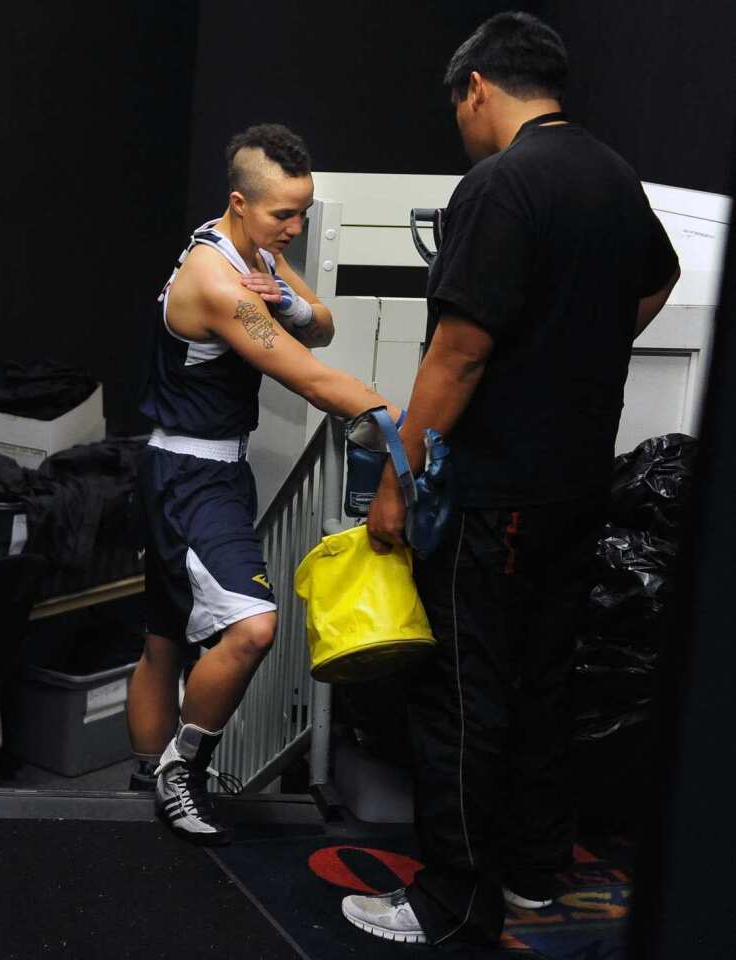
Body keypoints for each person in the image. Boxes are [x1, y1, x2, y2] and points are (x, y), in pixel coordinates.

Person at [345, 12, 680, 946]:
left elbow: (455, 354)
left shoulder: (499, 183)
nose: (460, 122)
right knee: (544, 684)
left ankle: (448, 902)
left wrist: (395, 481)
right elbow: (657, 278)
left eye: (458, 106)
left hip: (495, 492)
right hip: (576, 482)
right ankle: (533, 877)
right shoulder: (612, 174)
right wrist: (578, 344)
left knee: (460, 691)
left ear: (478, 87)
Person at [128, 123, 399, 844]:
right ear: (239, 202)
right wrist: (391, 418)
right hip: (188, 475)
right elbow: (307, 373)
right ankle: (180, 770)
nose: (296, 226)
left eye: (303, 211)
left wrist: (281, 296)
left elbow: (321, 326)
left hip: (200, 466)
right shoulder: (215, 278)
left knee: (162, 639)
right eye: (283, 213)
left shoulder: (248, 248)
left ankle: (141, 776)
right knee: (252, 627)